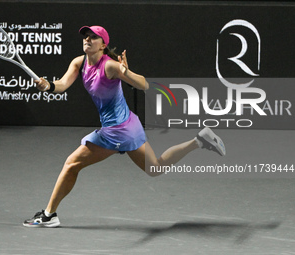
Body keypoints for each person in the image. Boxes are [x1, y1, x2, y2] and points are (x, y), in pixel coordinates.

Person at [23, 25, 226, 228]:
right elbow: (62, 84)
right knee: (155, 168)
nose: (87, 40)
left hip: (116, 131)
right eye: (86, 36)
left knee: (71, 164)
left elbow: (143, 84)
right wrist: (48, 85)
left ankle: (49, 214)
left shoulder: (110, 66)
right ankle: (199, 141)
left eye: (94, 37)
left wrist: (127, 72)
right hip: (127, 125)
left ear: (103, 45)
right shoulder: (79, 63)